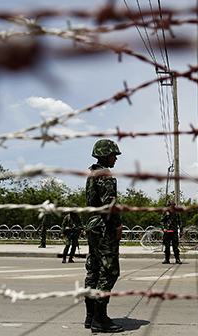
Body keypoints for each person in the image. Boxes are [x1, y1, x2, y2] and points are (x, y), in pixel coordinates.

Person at [83, 139, 124, 333]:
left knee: (94, 269)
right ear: (105, 154)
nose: (115, 158)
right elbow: (110, 205)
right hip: (104, 226)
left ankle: (90, 316)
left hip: (93, 224)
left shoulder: (92, 173)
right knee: (109, 271)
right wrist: (118, 225)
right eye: (113, 155)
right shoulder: (105, 175)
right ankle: (100, 320)